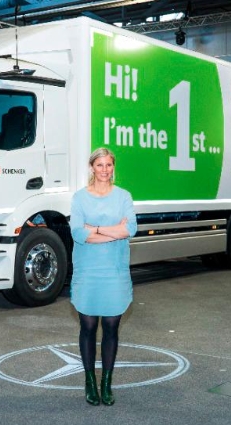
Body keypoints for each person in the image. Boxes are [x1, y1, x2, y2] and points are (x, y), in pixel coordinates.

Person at [69, 147, 137, 406]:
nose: (105, 170)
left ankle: (106, 384)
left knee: (111, 327)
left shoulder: (123, 197)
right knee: (87, 327)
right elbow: (77, 232)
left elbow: (130, 229)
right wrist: (113, 230)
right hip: (88, 271)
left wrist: (95, 229)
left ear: (113, 168)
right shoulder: (79, 198)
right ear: (92, 167)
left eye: (108, 165)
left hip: (115, 271)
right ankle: (89, 382)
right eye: (100, 165)